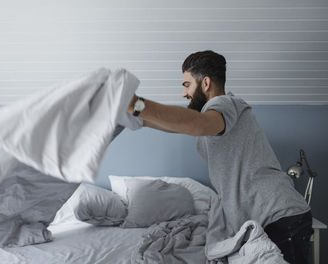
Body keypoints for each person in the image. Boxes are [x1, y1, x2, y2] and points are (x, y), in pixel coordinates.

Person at [127, 50, 313, 263]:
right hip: (270, 220)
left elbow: (194, 123)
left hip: (280, 216)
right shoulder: (213, 117)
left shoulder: (224, 103)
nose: (183, 93)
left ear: (205, 83)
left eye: (187, 85)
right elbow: (178, 125)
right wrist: (134, 117)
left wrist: (136, 104)